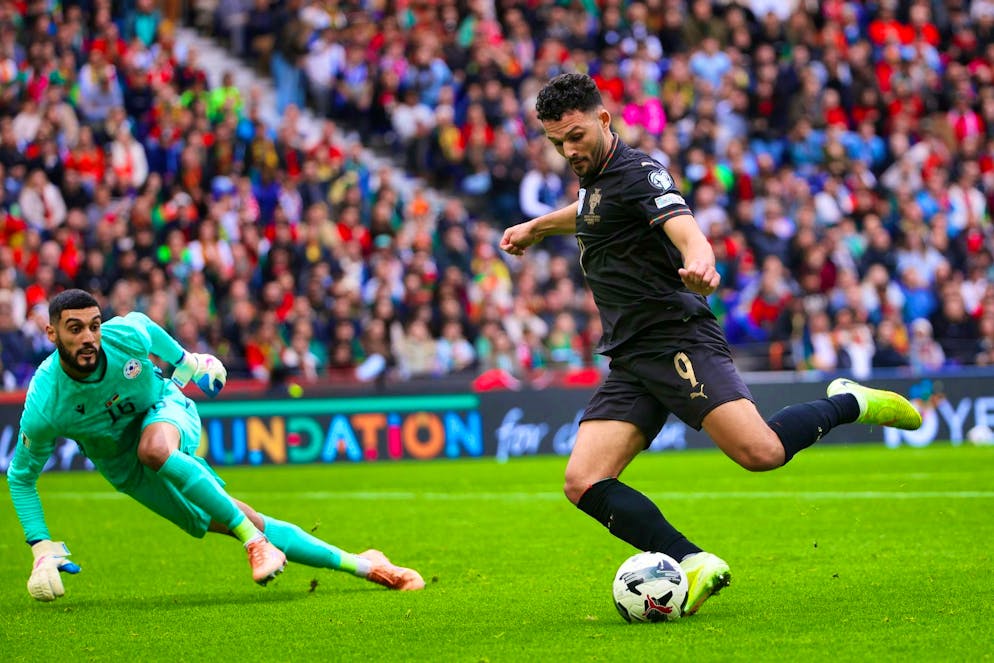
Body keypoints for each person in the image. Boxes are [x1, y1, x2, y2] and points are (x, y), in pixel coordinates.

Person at [499, 73, 922, 616]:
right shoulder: (596, 178)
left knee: (761, 453)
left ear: (604, 120)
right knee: (583, 481)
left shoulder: (640, 171)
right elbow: (591, 214)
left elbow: (683, 225)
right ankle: (693, 561)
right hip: (631, 355)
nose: (569, 150)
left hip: (675, 337)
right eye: (558, 143)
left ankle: (849, 401)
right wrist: (537, 226)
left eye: (576, 136)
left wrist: (701, 258)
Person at [8, 289, 424, 602]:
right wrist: (40, 543)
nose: (88, 337)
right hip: (126, 470)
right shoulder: (47, 403)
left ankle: (254, 545)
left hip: (165, 410)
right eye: (74, 328)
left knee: (154, 449)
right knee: (244, 518)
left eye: (94, 325)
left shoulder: (122, 337)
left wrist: (187, 361)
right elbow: (21, 477)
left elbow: (145, 326)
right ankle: (367, 565)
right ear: (51, 333)